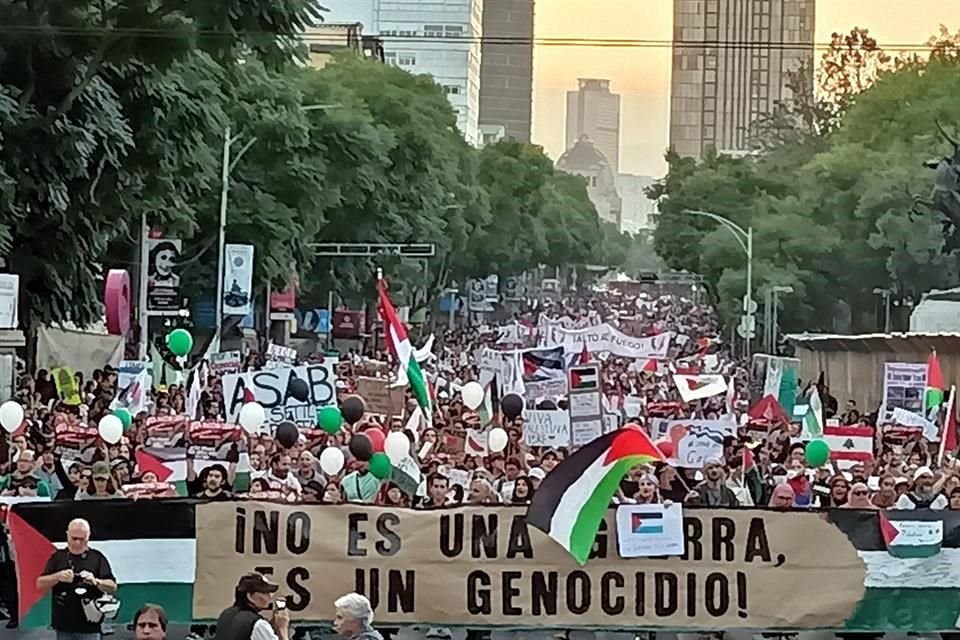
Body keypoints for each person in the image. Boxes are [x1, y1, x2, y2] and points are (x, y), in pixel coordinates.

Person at [36, 518, 117, 640]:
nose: (78, 543)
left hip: (90, 623)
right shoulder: (58, 557)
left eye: (82, 539)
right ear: (67, 535)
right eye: (74, 538)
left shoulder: (97, 558)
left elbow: (112, 587)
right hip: (64, 623)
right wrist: (58, 576)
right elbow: (39, 584)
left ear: (88, 536)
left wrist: (96, 581)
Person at [213, 572, 288, 640]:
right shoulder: (258, 624)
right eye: (264, 593)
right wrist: (282, 629)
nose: (269, 597)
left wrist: (270, 627)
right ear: (250, 596)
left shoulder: (226, 614)